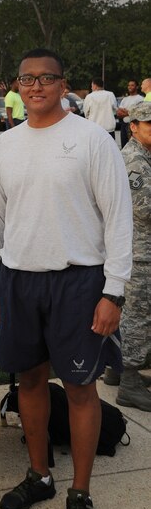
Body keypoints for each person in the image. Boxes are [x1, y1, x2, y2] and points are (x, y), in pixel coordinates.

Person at [0, 48, 132, 509]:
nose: (37, 86)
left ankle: (80, 494)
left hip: (78, 280)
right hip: (20, 279)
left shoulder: (92, 140)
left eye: (47, 78)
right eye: (28, 79)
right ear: (17, 87)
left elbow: (118, 219)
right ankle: (40, 475)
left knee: (82, 387)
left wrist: (113, 291)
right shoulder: (6, 145)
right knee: (28, 380)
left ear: (63, 84)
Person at [115, 101, 151, 410]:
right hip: (140, 254)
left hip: (139, 251)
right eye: (149, 124)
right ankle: (129, 381)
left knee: (130, 314)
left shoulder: (145, 156)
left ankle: (116, 369)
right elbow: (144, 209)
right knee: (139, 317)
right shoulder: (135, 161)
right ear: (134, 127)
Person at [116, 79, 142, 149]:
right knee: (124, 146)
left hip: (134, 125)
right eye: (129, 85)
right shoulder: (125, 99)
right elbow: (118, 113)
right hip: (124, 125)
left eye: (132, 85)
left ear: (137, 87)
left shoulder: (140, 99)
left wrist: (126, 111)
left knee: (135, 147)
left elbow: (138, 113)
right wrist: (129, 112)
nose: (130, 87)